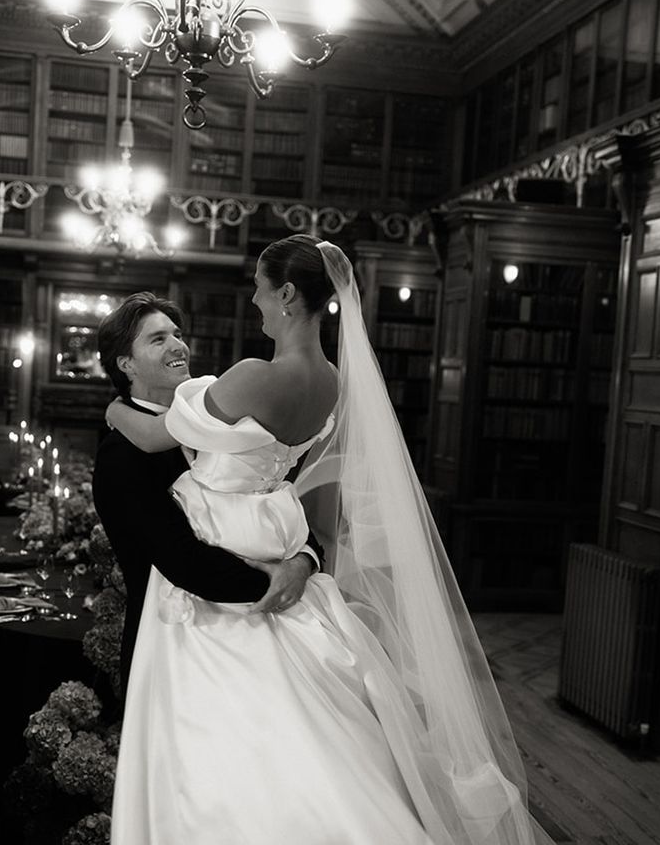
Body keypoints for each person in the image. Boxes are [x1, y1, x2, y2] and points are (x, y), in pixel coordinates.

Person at [105, 235, 555, 845]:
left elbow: (160, 438)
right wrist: (302, 564)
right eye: (157, 338)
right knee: (325, 747)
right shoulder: (331, 381)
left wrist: (111, 411)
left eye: (261, 289)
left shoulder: (251, 377)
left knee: (247, 773)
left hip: (227, 603)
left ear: (286, 294)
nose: (256, 301)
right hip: (273, 557)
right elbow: (290, 491)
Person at [91, 291, 322, 701]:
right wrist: (279, 580)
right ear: (126, 364)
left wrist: (304, 562)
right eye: (157, 339)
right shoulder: (121, 454)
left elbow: (277, 502)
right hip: (177, 650)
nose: (178, 345)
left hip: (259, 644)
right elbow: (185, 562)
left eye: (177, 334)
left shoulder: (220, 419)